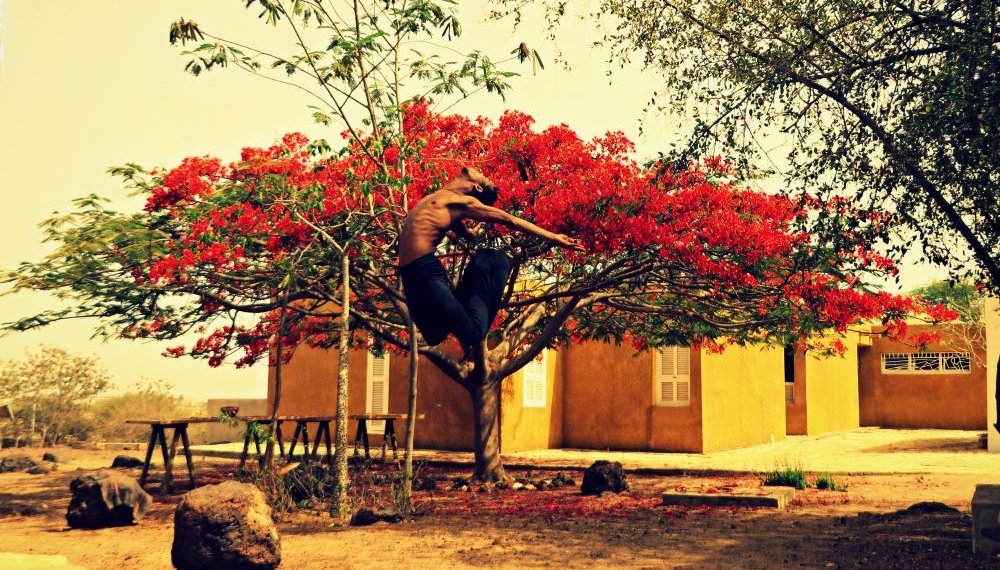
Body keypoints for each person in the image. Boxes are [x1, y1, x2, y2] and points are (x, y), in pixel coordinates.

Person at [398, 167, 583, 361]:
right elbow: (452, 221)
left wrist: (553, 237)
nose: (483, 172)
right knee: (433, 335)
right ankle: (471, 283)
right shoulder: (443, 198)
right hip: (410, 272)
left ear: (477, 187)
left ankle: (489, 264)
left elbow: (507, 219)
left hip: (425, 269)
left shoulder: (464, 202)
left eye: (484, 177)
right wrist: (468, 234)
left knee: (474, 334)